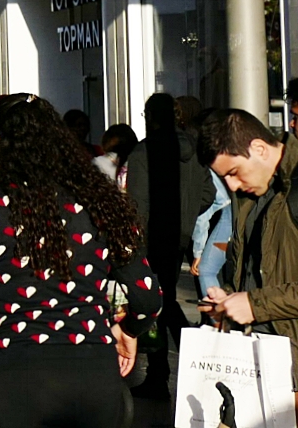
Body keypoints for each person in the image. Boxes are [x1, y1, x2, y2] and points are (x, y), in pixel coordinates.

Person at [0, 94, 161, 427]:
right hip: (94, 370)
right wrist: (128, 329)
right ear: (58, 138)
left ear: (0, 142)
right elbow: (148, 297)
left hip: (20, 373)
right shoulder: (101, 201)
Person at [199, 107, 298, 398]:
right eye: (223, 178)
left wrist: (255, 304)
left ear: (259, 148)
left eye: (233, 172)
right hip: (261, 365)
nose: (231, 184)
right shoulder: (248, 199)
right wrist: (229, 298)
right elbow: (258, 272)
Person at [127, 91, 213, 398]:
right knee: (167, 300)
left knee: (154, 304)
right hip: (180, 236)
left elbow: (137, 205)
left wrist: (133, 242)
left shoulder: (143, 153)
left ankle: (160, 372)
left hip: (150, 240)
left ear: (151, 117)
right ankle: (192, 361)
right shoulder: (195, 152)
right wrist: (187, 217)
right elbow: (208, 195)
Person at [191, 169, 232, 299]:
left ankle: (217, 318)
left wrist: (198, 252)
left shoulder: (200, 168)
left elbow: (202, 215)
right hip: (240, 210)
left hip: (228, 215)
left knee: (206, 270)